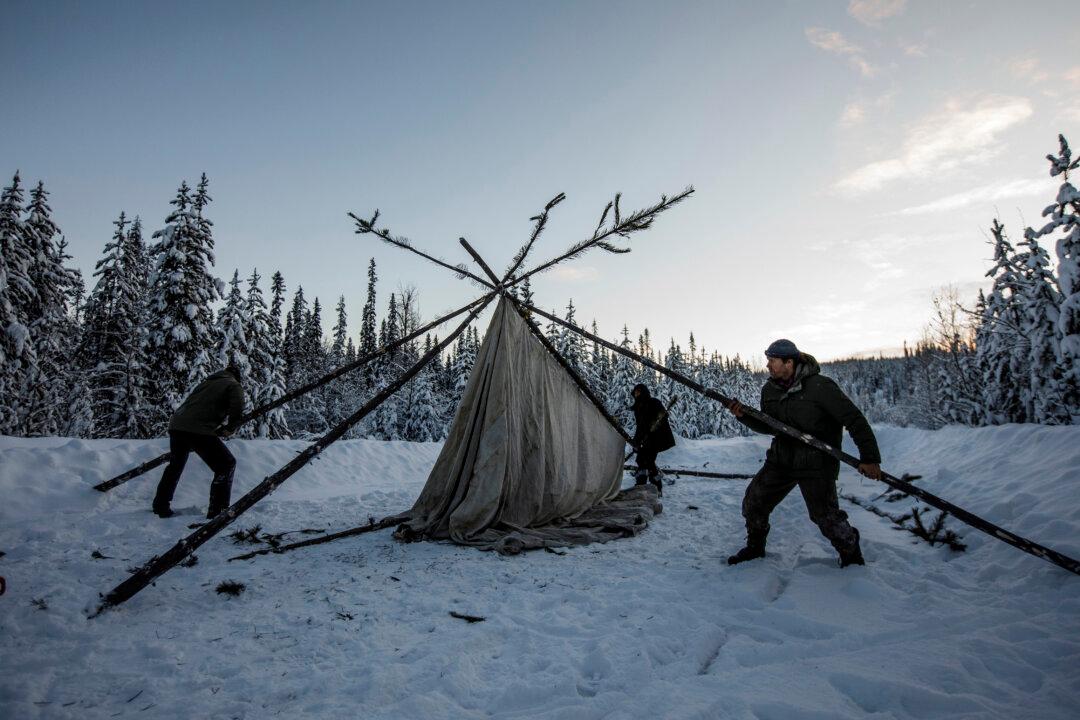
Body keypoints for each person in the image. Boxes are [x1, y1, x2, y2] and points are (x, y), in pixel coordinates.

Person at [725, 339, 881, 568]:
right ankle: (755, 548)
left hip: (816, 464)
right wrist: (743, 416)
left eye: (772, 361)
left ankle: (850, 552)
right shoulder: (769, 390)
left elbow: (854, 420)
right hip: (782, 460)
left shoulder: (821, 387)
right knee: (754, 502)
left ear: (789, 362)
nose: (768, 366)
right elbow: (771, 426)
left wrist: (870, 458)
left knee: (825, 517)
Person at [152, 365, 245, 520]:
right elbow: (238, 405)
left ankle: (160, 505)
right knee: (225, 464)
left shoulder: (207, 383)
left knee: (175, 466)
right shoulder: (233, 384)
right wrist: (232, 427)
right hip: (197, 429)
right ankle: (218, 512)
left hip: (177, 426)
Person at [631, 383, 676, 496]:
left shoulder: (653, 402)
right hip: (646, 439)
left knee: (648, 461)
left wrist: (655, 424)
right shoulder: (637, 407)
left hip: (656, 439)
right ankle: (642, 485)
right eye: (635, 392)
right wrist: (636, 441)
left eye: (638, 391)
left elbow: (663, 416)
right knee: (641, 461)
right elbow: (640, 426)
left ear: (644, 392)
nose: (636, 394)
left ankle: (656, 488)